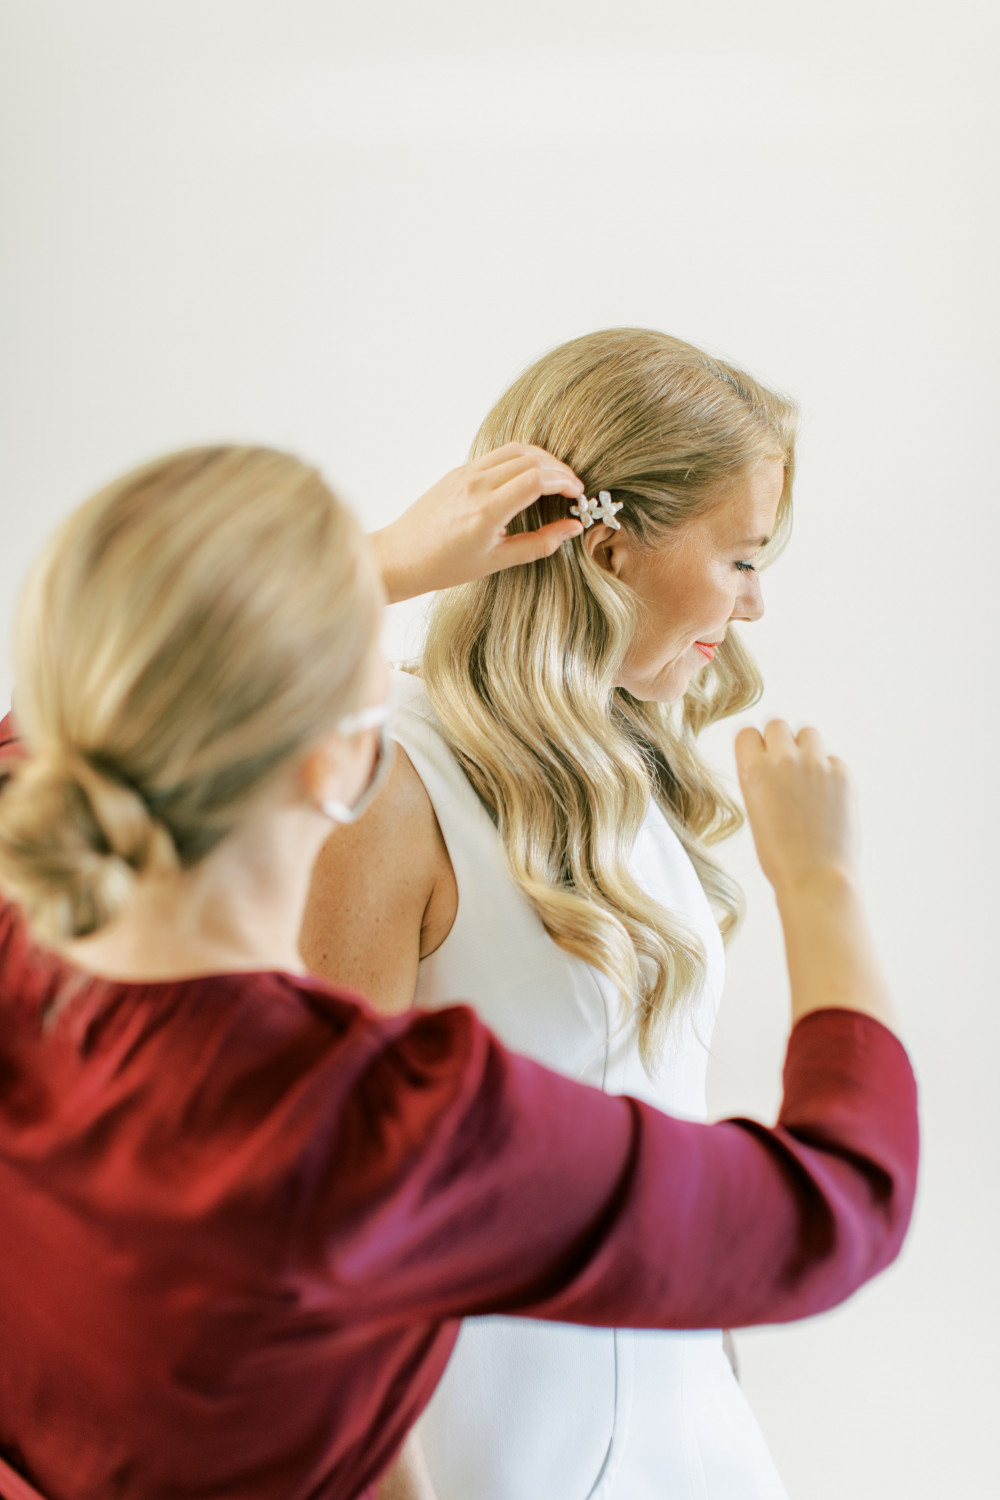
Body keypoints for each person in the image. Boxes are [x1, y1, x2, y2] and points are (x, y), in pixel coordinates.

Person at [0, 442, 916, 1500]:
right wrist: (820, 885)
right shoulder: (382, 1123)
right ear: (342, 762)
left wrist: (381, 564)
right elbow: (842, 1207)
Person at [300, 328, 903, 1500]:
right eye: (738, 558)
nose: (757, 602)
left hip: (695, 1443)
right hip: (490, 1452)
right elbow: (324, 1208)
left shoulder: (641, 788)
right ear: (612, 551)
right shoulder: (389, 785)